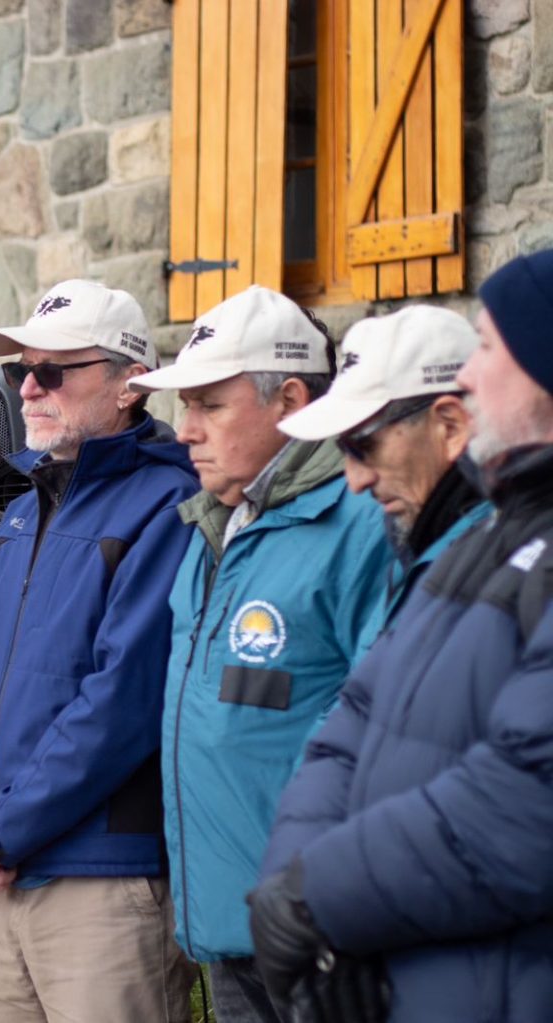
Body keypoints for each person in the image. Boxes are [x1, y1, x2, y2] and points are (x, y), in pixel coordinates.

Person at [251, 251, 553, 1023]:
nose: (473, 374)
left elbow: (526, 799)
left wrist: (320, 903)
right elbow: (345, 737)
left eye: (490, 347)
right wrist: (301, 904)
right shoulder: (473, 550)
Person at [0, 280, 200, 1021]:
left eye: (55, 370)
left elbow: (122, 701)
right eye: (23, 368)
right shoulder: (21, 509)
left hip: (102, 875)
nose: (27, 387)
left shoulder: (165, 503)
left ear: (127, 384)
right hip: (6, 866)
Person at [128, 285, 393, 1022]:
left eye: (210, 405)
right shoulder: (211, 521)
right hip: (225, 924)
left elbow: (389, 733)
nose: (184, 430)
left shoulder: (360, 522)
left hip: (320, 931)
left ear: (292, 400)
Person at [276, 306, 490, 640]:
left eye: (365, 447)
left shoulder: (512, 563)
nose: (356, 482)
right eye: (343, 450)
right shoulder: (414, 544)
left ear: (449, 427)